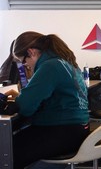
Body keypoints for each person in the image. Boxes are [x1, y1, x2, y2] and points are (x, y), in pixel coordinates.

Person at [4, 31, 89, 169]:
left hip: (64, 130)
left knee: (6, 149)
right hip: (76, 128)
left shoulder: (50, 66)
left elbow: (26, 106)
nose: (26, 66)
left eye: (23, 61)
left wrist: (18, 101)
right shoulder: (63, 62)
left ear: (31, 52)